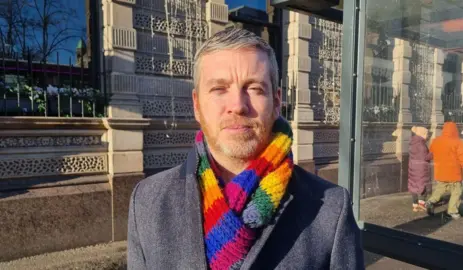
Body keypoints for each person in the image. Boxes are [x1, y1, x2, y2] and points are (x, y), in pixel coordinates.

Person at [127, 28, 364, 270]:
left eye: (255, 88)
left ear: (276, 103)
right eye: (219, 88)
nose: (238, 106)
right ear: (197, 105)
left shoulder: (331, 209)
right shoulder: (147, 202)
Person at [425, 122, 463, 220]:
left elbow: (431, 154)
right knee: (456, 191)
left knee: (440, 188)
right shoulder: (457, 142)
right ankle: (452, 211)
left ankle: (431, 201)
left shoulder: (436, 141)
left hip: (440, 171)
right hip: (454, 173)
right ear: (455, 130)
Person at [408, 126, 432, 212]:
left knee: (413, 185)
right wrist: (432, 154)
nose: (428, 136)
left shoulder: (412, 142)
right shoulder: (421, 145)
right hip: (421, 169)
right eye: (427, 134)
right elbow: (425, 157)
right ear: (422, 134)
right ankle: (421, 204)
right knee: (423, 185)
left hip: (413, 167)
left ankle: (415, 205)